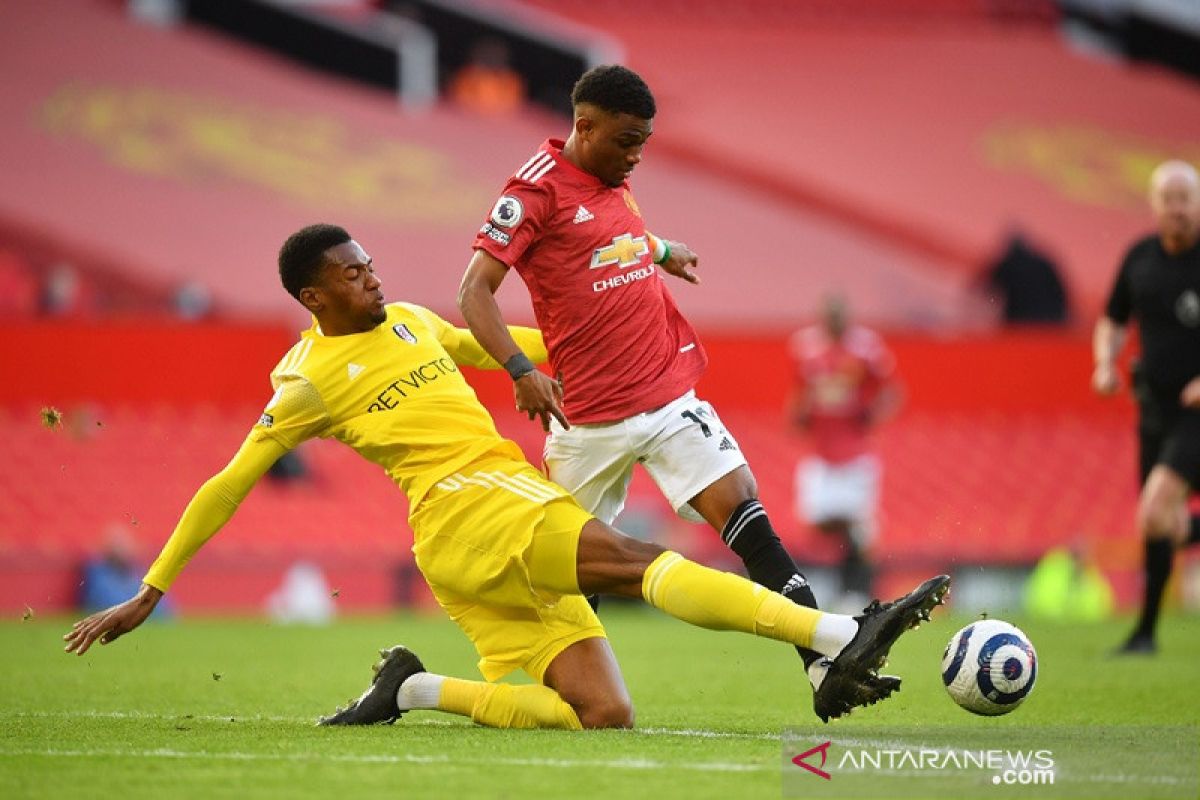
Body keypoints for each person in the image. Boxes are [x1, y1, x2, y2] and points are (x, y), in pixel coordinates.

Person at [63, 224, 950, 731]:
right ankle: (835, 633)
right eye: (352, 273)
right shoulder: (303, 382)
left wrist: (599, 350)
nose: (372, 277)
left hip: (473, 542)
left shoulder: (409, 320)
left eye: (369, 263)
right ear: (314, 297)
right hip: (471, 508)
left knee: (602, 717)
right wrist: (153, 586)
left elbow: (503, 347)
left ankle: (411, 688)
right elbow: (229, 480)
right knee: (637, 558)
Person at [457, 64, 888, 720]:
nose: (636, 156)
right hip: (586, 418)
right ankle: (570, 693)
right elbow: (473, 291)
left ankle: (821, 660)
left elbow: (605, 239)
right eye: (627, 141)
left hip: (663, 393)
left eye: (644, 143)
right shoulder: (533, 192)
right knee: (575, 569)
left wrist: (659, 250)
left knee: (743, 510)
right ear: (584, 127)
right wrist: (520, 369)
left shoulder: (613, 178)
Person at [1093, 159, 1200, 654]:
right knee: (1155, 525)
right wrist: (1105, 364)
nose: (1178, 209)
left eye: (1186, 199)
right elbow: (1113, 319)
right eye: (1169, 199)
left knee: (1157, 511)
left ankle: (1145, 630)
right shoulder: (1139, 257)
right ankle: (1146, 631)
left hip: (1196, 414)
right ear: (1155, 204)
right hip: (1153, 409)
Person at [787, 295, 901, 610]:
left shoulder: (866, 348)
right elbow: (801, 393)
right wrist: (800, 414)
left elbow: (891, 391)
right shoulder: (806, 346)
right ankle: (839, 583)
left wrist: (871, 414)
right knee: (817, 520)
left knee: (860, 527)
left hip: (855, 454)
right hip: (821, 453)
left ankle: (859, 592)